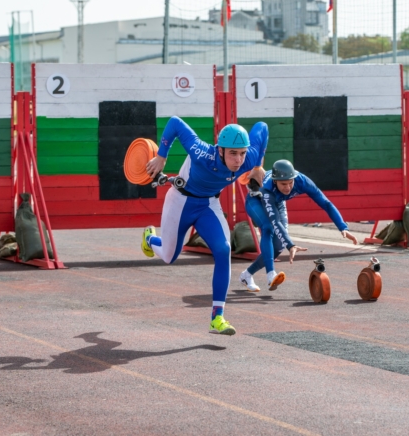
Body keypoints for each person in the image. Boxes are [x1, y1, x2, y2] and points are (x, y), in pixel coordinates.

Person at [142, 117, 268, 335]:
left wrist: (258, 166)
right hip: (180, 202)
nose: (239, 160)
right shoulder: (201, 152)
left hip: (208, 205)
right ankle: (150, 239)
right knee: (169, 257)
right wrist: (161, 157)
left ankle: (217, 318)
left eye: (242, 153)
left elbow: (262, 128)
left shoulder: (249, 158)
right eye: (233, 153)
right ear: (220, 150)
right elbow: (174, 123)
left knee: (223, 249)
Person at [239, 159, 358, 292]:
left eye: (290, 183)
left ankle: (246, 275)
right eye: (283, 184)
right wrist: (291, 245)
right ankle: (270, 275)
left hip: (278, 202)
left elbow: (326, 203)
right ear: (275, 181)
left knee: (279, 246)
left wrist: (342, 226)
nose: (288, 187)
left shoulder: (302, 180)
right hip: (256, 201)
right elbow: (275, 221)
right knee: (268, 228)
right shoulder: (267, 188)